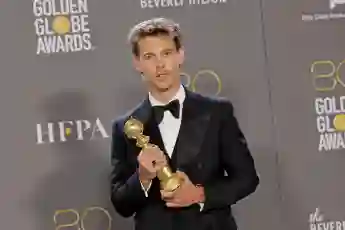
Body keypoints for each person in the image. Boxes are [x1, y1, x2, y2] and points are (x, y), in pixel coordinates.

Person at [110, 17, 259, 230]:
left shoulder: (217, 113)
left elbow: (247, 178)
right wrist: (142, 177)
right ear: (137, 63)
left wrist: (199, 194)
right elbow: (121, 204)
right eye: (149, 56)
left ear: (180, 55)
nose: (160, 65)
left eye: (167, 53)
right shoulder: (126, 127)